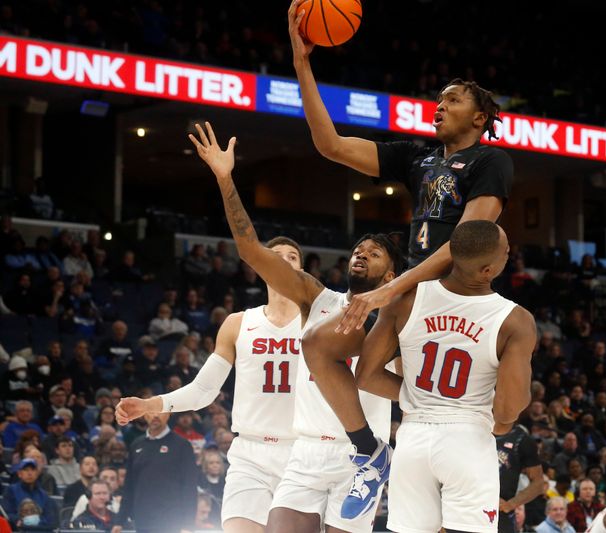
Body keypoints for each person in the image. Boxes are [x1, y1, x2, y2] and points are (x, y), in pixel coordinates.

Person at [287, 2, 515, 510]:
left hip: (457, 294)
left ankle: (446, 415)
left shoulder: (490, 160)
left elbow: (470, 240)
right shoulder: (418, 156)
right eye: (438, 99)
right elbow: (329, 145)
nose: (439, 105)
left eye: (451, 100)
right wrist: (304, 63)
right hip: (412, 290)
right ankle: (370, 452)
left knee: (381, 370)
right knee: (324, 349)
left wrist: (393, 286)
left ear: (479, 117)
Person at [187, 122, 400, 533]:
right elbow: (250, 250)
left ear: (390, 274)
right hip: (304, 453)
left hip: (360, 460)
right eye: (358, 249)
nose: (361, 254)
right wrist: (225, 179)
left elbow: (409, 388)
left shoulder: (396, 320)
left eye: (373, 254)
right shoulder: (318, 298)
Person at [354, 221, 538, 532]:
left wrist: (416, 396)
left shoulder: (405, 299)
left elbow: (366, 376)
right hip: (468, 440)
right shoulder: (514, 320)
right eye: (505, 252)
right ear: (488, 270)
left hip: (413, 439)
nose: (509, 254)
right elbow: (508, 411)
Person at [115, 235, 304, 533]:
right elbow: (204, 389)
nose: (283, 260)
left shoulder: (321, 324)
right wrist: (151, 404)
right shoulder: (239, 323)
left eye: (292, 256)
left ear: (302, 270)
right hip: (250, 453)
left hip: (301, 452)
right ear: (261, 266)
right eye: (275, 255)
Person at [112, 411, 197, 533]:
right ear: (145, 415)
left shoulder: (182, 445)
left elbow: (189, 487)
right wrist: (119, 521)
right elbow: (129, 487)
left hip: (172, 522)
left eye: (160, 412)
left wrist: (188, 525)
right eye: (151, 412)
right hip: (143, 521)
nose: (155, 416)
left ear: (168, 415)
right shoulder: (136, 445)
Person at [496, 424, 545, 533]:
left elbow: (539, 483)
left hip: (500, 514)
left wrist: (511, 504)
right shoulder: (473, 430)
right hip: (469, 506)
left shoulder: (521, 439)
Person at [0, 459, 58, 528]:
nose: (29, 473)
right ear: (19, 474)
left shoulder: (44, 495)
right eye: (26, 470)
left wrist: (38, 523)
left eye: (32, 470)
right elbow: (7, 514)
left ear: (37, 473)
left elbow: (50, 518)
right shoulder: (11, 491)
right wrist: (19, 521)